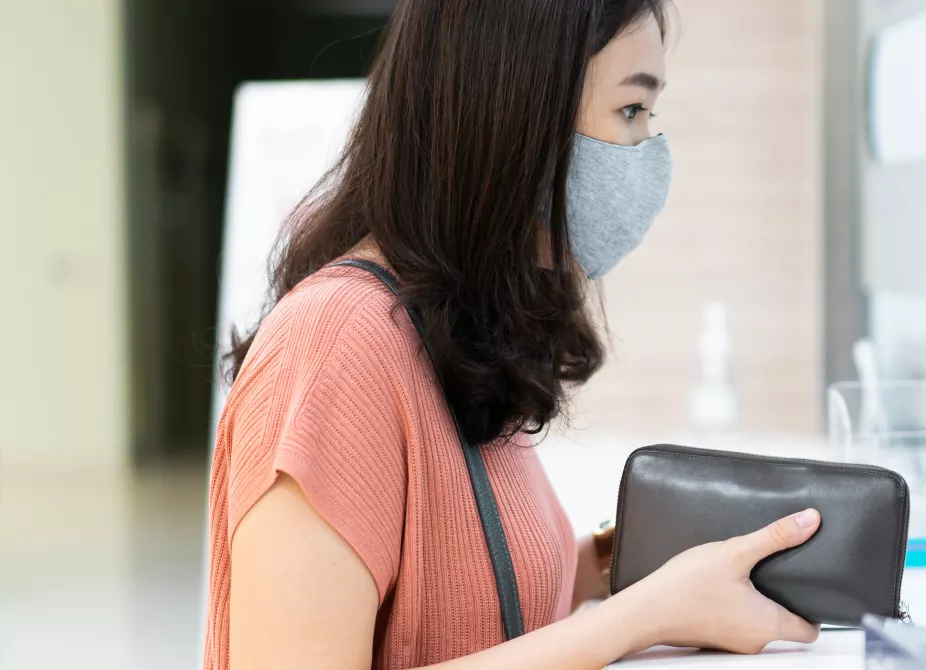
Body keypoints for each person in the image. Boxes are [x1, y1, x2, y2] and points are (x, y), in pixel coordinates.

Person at [204, 1, 823, 668]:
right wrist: (641, 617)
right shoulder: (333, 343)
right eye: (630, 112)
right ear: (518, 115)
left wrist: (650, 554)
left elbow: (491, 590)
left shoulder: (442, 331)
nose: (649, 151)